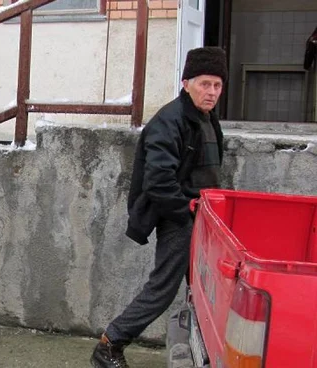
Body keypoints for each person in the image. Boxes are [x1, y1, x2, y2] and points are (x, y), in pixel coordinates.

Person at [90, 47, 227, 368]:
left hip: (202, 216)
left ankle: (204, 349)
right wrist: (185, 214)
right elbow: (158, 180)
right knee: (163, 288)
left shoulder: (206, 118)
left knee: (203, 286)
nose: (211, 92)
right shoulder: (171, 120)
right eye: (204, 84)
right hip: (180, 217)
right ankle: (110, 344)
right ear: (186, 83)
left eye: (217, 85)